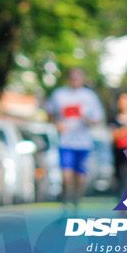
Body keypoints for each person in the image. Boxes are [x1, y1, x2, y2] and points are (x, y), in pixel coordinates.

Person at [44, 67, 105, 210]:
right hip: (65, 142)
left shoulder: (89, 96)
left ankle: (76, 204)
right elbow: (49, 112)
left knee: (80, 178)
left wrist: (87, 120)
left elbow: (98, 119)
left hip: (84, 144)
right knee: (66, 177)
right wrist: (56, 124)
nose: (75, 80)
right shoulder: (59, 94)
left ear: (83, 79)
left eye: (78, 77)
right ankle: (65, 203)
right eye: (72, 77)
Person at [110, 92, 127, 196]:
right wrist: (126, 129)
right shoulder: (114, 118)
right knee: (118, 176)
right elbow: (113, 136)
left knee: (126, 176)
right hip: (118, 152)